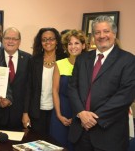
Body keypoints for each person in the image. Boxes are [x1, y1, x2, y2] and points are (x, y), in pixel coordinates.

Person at [67, 15, 135, 151]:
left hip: (109, 135)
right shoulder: (82, 59)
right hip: (80, 132)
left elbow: (125, 96)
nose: (101, 35)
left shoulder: (128, 60)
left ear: (114, 34)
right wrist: (81, 112)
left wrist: (92, 119)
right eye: (97, 32)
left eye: (106, 31)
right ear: (93, 36)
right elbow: (72, 87)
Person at [22, 28, 67, 135]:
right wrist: (25, 112)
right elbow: (29, 88)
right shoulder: (34, 60)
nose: (48, 42)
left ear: (57, 41)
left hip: (58, 110)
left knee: (56, 143)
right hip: (37, 111)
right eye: (44, 39)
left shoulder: (64, 59)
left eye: (51, 39)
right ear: (40, 42)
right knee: (38, 141)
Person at [50, 30, 88, 151]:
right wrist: (59, 115)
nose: (73, 47)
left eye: (77, 43)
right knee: (57, 145)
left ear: (83, 45)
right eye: (70, 44)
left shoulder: (89, 65)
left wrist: (79, 114)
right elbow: (55, 91)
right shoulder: (60, 64)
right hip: (61, 110)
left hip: (81, 113)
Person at [0, 27, 31, 130]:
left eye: (14, 39)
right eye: (7, 38)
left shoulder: (28, 59)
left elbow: (29, 88)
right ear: (2, 39)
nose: (10, 41)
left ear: (19, 41)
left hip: (19, 114)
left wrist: (26, 112)